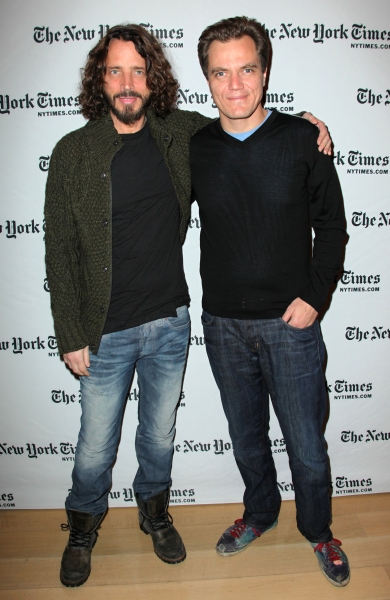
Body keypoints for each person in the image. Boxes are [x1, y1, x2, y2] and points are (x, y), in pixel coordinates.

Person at [45, 23, 332, 587]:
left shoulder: (180, 134)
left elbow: (245, 122)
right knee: (94, 448)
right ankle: (82, 529)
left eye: (137, 70)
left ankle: (156, 516)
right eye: (114, 71)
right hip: (102, 331)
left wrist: (307, 124)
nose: (127, 82)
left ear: (153, 79)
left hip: (170, 323)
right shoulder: (73, 152)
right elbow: (60, 251)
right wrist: (69, 332)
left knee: (158, 438)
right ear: (98, 80)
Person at [190, 16, 349, 588]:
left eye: (247, 69)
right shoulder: (193, 145)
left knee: (307, 445)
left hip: (292, 324)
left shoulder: (303, 139)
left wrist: (314, 296)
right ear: (206, 80)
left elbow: (332, 228)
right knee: (246, 436)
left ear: (265, 70)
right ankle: (259, 513)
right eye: (221, 73)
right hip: (223, 324)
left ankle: (319, 530)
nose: (235, 85)